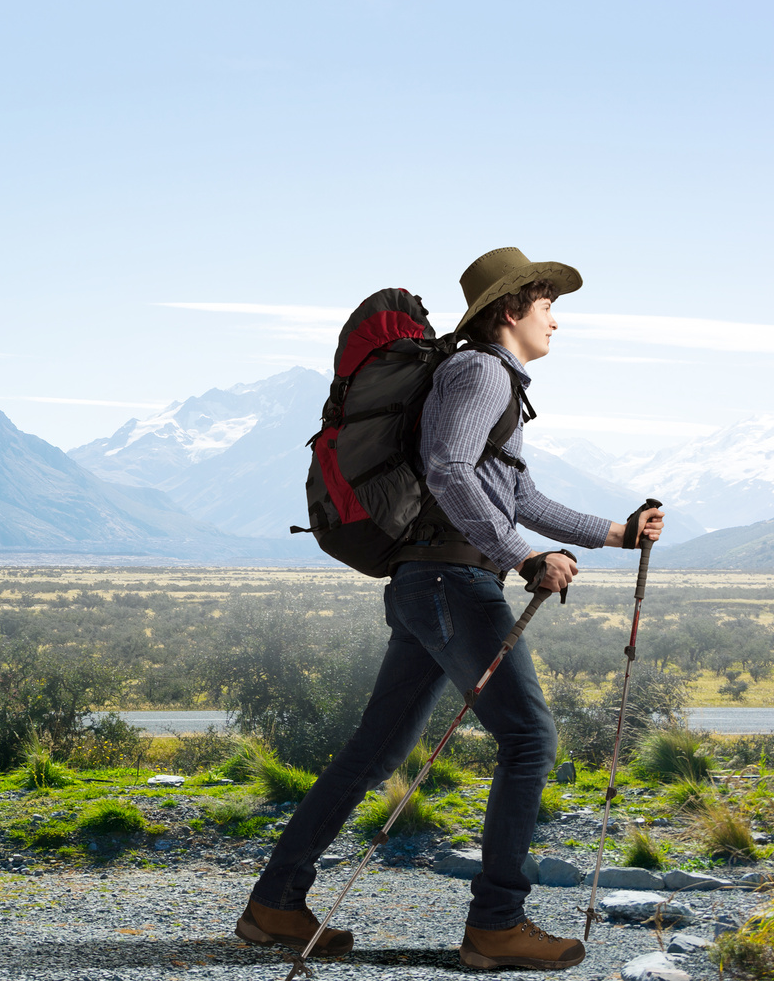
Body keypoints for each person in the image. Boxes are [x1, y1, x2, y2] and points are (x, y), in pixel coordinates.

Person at [234, 247, 667, 971]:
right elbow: (449, 471)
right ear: (511, 309)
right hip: (450, 583)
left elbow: (515, 495)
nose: (556, 321)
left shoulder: (491, 382)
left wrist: (617, 533)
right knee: (530, 740)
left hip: (428, 583)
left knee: (374, 753)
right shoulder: (479, 372)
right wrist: (521, 557)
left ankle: (275, 904)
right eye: (547, 305)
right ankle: (497, 924)